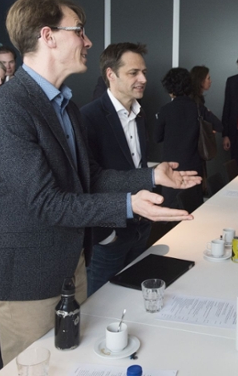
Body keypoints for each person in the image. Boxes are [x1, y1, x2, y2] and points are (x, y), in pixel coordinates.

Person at [0, 0, 201, 365]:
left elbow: (88, 178)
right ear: (48, 37)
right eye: (79, 31)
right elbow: (47, 202)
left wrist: (150, 175)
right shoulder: (5, 110)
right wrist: (129, 204)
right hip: (27, 281)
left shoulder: (65, 106)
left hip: (71, 265)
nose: (88, 41)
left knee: (73, 365)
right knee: (38, 370)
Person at [80, 42, 152, 295]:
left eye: (143, 72)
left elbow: (135, 167)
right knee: (101, 307)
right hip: (109, 236)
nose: (142, 79)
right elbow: (88, 182)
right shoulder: (87, 118)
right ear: (111, 74)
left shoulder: (140, 113)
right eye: (134, 73)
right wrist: (106, 235)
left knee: (134, 299)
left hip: (140, 228)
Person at [155, 67, 208, 212]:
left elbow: (157, 137)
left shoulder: (165, 110)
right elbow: (219, 125)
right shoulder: (198, 108)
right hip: (193, 167)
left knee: (171, 211)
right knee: (194, 210)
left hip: (172, 168)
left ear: (170, 88)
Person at [190, 65, 222, 132]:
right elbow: (218, 125)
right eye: (208, 78)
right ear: (201, 81)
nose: (210, 81)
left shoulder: (192, 99)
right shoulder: (197, 104)